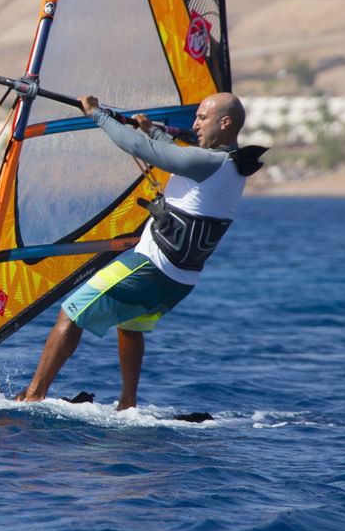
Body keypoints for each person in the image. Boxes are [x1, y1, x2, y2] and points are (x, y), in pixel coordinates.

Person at [13, 91, 265, 410]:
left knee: (71, 311)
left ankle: (34, 395)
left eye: (203, 118)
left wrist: (97, 114)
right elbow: (174, 154)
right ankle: (127, 403)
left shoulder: (208, 162)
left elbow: (138, 148)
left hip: (150, 267)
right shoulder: (230, 165)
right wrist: (154, 131)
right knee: (130, 326)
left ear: (225, 123)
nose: (195, 124)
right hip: (180, 283)